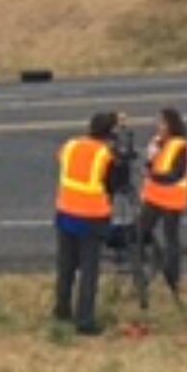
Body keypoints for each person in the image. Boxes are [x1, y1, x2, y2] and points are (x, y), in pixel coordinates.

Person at [54, 112, 120, 336]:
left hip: (65, 213)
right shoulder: (105, 155)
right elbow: (113, 185)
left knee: (66, 266)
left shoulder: (71, 146)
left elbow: (63, 160)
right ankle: (85, 319)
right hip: (91, 217)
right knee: (89, 270)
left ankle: (62, 309)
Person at [139, 108, 187, 295]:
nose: (159, 127)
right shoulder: (156, 143)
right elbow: (151, 167)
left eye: (163, 123)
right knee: (140, 232)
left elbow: (176, 174)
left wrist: (154, 176)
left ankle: (173, 278)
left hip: (172, 199)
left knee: (171, 239)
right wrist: (150, 159)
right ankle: (146, 270)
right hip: (154, 197)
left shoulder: (180, 145)